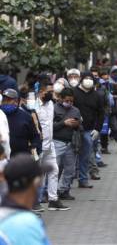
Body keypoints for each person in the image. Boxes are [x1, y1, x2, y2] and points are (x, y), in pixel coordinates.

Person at [0, 154, 51, 244]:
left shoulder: (4, 213)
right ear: (34, 183)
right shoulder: (25, 223)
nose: (40, 185)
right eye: (40, 181)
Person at [36, 80, 70, 211]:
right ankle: (36, 201)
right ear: (40, 92)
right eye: (49, 92)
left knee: (54, 170)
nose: (52, 94)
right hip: (39, 146)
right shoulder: (33, 106)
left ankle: (53, 199)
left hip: (50, 145)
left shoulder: (50, 104)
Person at [73, 72, 104, 187]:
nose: (88, 80)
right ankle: (68, 180)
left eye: (90, 78)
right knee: (70, 156)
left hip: (89, 130)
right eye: (85, 78)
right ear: (81, 79)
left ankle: (83, 179)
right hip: (73, 129)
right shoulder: (74, 92)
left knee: (85, 156)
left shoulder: (96, 95)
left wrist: (97, 129)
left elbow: (101, 113)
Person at [53, 88, 81, 200]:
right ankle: (51, 192)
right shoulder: (54, 109)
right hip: (57, 142)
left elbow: (80, 126)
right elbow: (50, 127)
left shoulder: (75, 110)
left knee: (70, 169)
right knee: (55, 169)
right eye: (67, 100)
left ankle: (64, 190)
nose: (69, 103)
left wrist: (76, 124)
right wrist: (63, 123)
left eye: (71, 101)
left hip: (71, 143)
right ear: (60, 98)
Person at [0, 89, 39, 157]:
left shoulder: (26, 116)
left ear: (16, 102)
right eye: (4, 100)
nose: (5, 102)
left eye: (9, 100)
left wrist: (33, 147)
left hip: (21, 158)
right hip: (2, 159)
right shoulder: (1, 115)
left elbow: (35, 136)